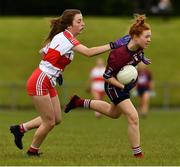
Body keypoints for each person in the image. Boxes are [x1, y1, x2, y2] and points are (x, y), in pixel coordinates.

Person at [9, 9, 130, 156]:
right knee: (49, 122)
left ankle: (20, 129)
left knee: (57, 119)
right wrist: (114, 45)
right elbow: (88, 52)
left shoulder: (64, 37)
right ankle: (32, 151)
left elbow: (48, 53)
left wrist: (56, 72)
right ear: (68, 26)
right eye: (78, 21)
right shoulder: (66, 37)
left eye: (82, 20)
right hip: (40, 80)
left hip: (48, 80)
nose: (82, 24)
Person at [64, 14, 152, 158]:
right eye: (146, 37)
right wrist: (123, 87)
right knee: (133, 116)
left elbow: (134, 58)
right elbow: (107, 77)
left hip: (121, 85)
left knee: (114, 113)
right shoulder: (118, 54)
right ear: (135, 37)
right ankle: (138, 154)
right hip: (113, 86)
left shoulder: (138, 47)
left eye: (150, 36)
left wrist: (141, 58)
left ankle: (79, 102)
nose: (149, 40)